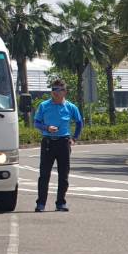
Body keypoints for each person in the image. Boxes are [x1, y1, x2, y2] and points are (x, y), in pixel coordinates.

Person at [32, 78, 82, 212]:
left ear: (64, 92)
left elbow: (79, 122)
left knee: (63, 175)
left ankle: (60, 203)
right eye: (53, 89)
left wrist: (74, 138)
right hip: (48, 142)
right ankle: (41, 203)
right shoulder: (44, 105)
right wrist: (46, 128)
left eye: (58, 90)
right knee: (44, 174)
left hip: (63, 142)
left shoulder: (70, 107)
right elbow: (36, 122)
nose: (55, 93)